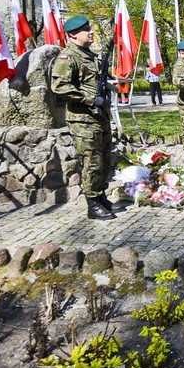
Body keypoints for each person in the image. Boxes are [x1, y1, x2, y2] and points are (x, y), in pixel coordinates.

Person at [50, 15, 120, 220]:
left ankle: (100, 197)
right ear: (73, 35)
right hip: (83, 119)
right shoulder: (68, 57)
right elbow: (59, 86)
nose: (91, 32)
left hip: (100, 116)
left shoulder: (90, 56)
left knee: (105, 159)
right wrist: (90, 99)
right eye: (86, 29)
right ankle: (92, 204)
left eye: (90, 28)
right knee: (92, 161)